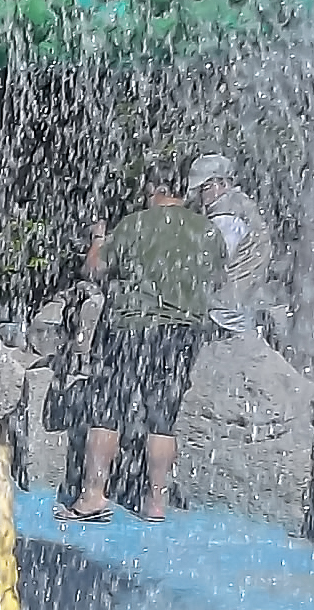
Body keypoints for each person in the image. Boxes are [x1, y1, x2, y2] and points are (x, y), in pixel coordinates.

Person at [63, 172, 220, 524]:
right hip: (183, 332)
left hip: (131, 325)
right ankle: (155, 503)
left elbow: (94, 269)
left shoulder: (134, 224)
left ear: (154, 189)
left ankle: (93, 496)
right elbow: (216, 279)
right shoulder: (209, 231)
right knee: (162, 419)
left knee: (108, 410)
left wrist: (99, 238)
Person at [182, 153, 273, 337]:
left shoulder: (226, 217)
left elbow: (215, 258)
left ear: (223, 183)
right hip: (243, 301)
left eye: (206, 187)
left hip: (227, 311)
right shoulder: (241, 206)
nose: (202, 195)